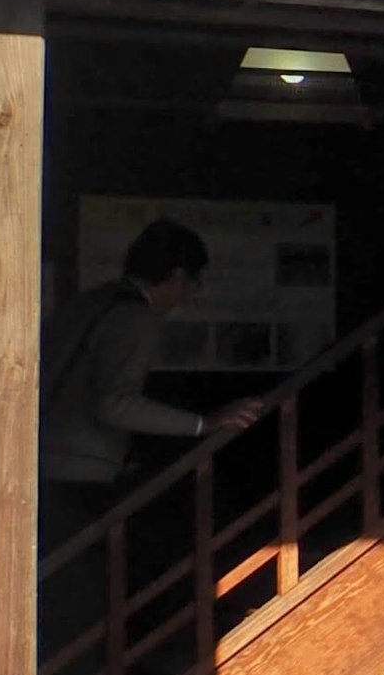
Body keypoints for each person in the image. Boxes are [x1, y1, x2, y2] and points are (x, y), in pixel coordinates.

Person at [40, 218, 263, 540]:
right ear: (178, 277)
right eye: (192, 284)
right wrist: (203, 424)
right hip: (83, 473)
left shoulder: (89, 302)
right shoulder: (135, 317)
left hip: (44, 461)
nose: (186, 296)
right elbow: (115, 404)